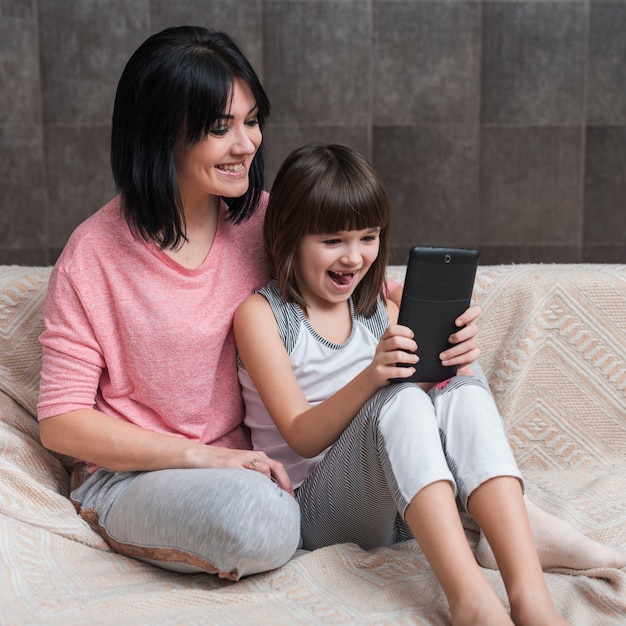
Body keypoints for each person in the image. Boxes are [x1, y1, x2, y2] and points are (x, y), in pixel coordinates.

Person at [234, 143, 623, 624]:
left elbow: (425, 407)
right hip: (317, 509)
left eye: (368, 237)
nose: (354, 257)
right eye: (332, 240)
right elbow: (300, 432)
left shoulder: (378, 301)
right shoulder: (262, 315)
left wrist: (453, 360)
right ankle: (473, 602)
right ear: (288, 237)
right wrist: (373, 378)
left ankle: (530, 596)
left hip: (403, 511)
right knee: (396, 396)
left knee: (458, 387)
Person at [35, 25, 304, 581]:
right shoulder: (93, 256)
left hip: (257, 463)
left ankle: (510, 537)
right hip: (132, 479)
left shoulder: (267, 222)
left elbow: (357, 291)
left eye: (251, 121)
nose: (247, 145)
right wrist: (204, 456)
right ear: (161, 136)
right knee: (262, 517)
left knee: (440, 402)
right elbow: (61, 422)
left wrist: (417, 317)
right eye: (219, 129)